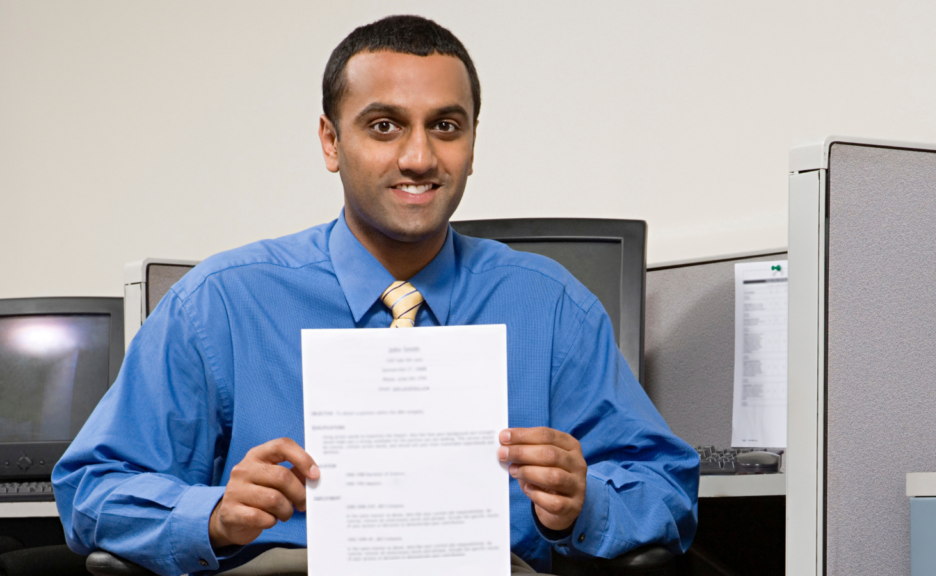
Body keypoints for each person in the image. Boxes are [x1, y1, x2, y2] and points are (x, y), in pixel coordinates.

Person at [53, 15, 699, 576]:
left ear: (474, 143)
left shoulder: (553, 309)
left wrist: (584, 505)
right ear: (331, 143)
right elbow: (91, 489)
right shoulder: (218, 306)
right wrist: (213, 514)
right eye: (385, 126)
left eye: (445, 126)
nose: (419, 157)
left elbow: (668, 491)